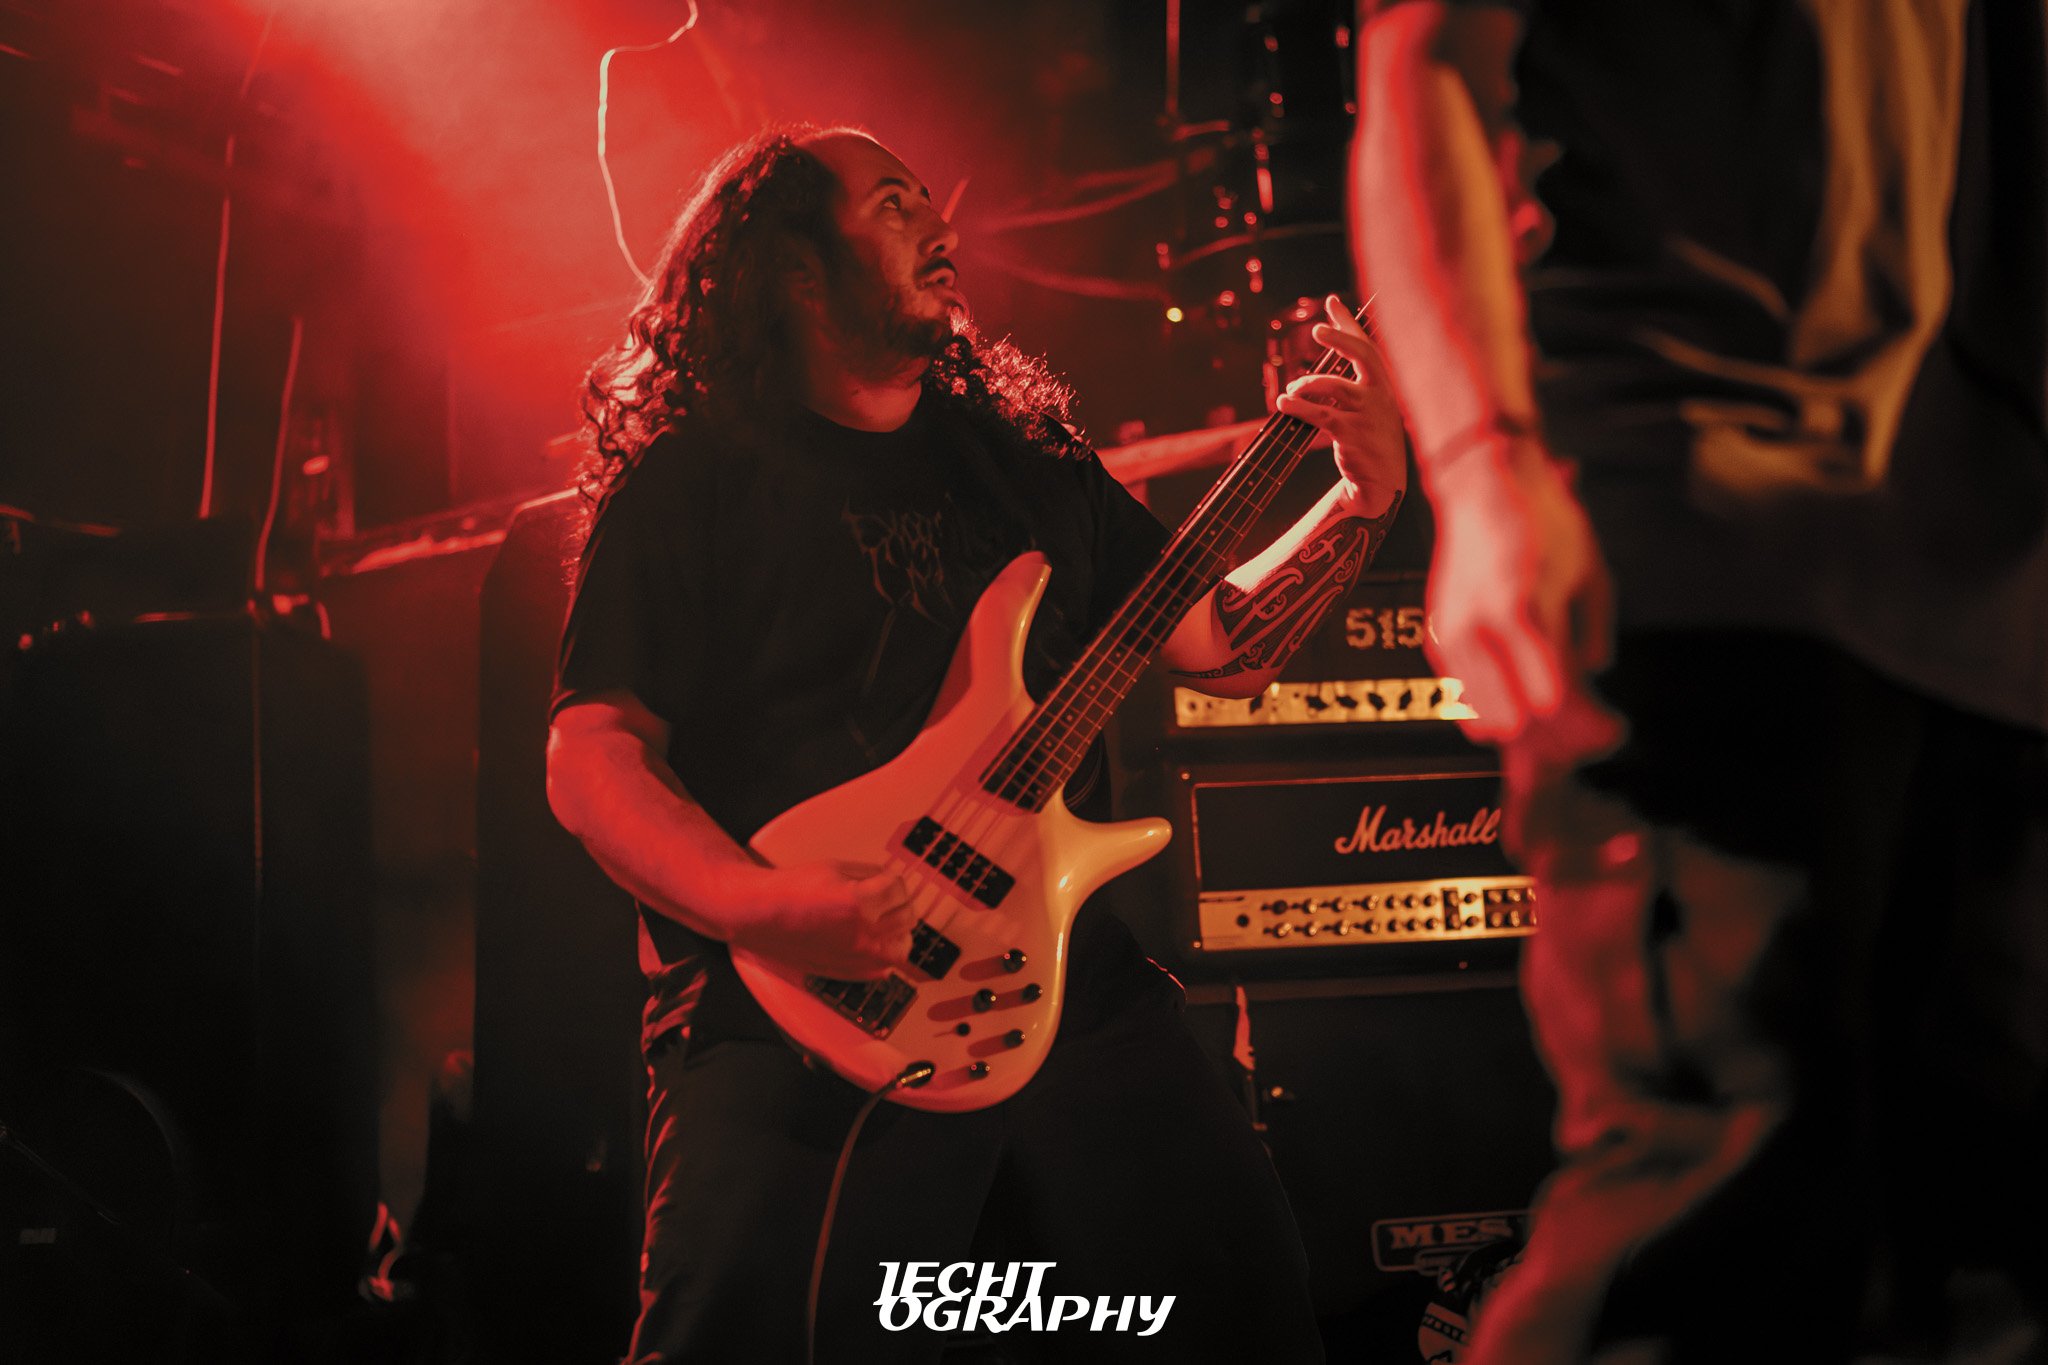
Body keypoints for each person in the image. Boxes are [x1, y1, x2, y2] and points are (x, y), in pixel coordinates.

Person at [543, 124, 1409, 1363]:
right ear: (796, 269)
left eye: (928, 199)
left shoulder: (1023, 456)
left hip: (1062, 989)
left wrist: (1360, 500)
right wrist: (763, 905)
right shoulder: (695, 481)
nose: (938, 225)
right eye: (892, 206)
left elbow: (1217, 642)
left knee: (1233, 1311)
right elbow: (592, 753)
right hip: (802, 1001)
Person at [1353, 3, 2048, 1362]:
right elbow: (1427, 56)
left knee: (1981, 1258)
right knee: (1714, 1221)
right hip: (1710, 549)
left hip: (1999, 611)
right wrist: (1482, 467)